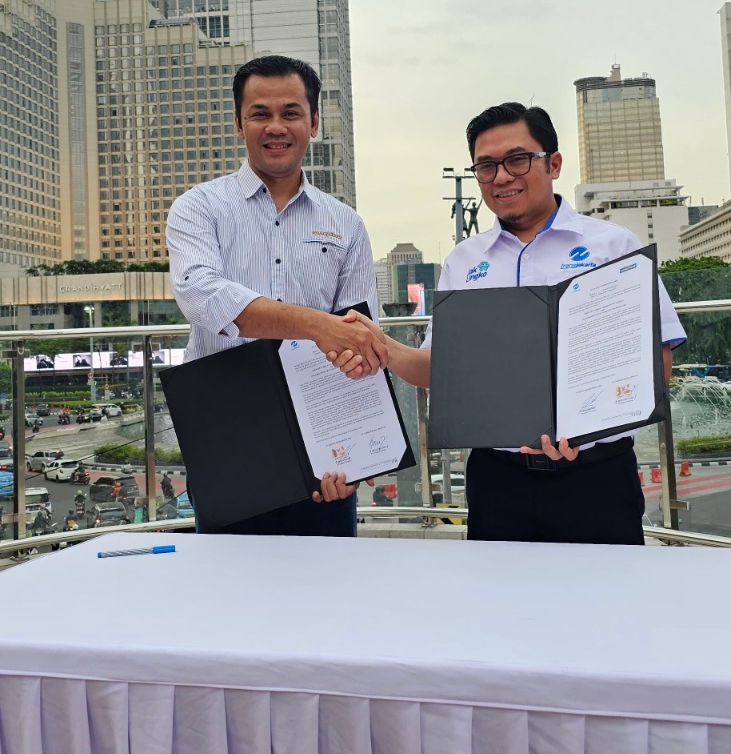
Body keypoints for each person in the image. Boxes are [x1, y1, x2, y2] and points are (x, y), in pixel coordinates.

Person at [330, 101, 686, 545]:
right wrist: (382, 346)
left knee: (606, 589)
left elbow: (657, 363)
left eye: (518, 160)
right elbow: (439, 370)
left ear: (553, 163)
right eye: (486, 166)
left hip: (594, 476)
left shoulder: (613, 247)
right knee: (495, 589)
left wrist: (587, 425)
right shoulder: (464, 262)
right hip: (497, 480)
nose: (501, 176)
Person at [166, 53, 386, 535]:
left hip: (324, 450)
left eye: (291, 113)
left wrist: (359, 450)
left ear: (314, 122)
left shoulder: (346, 224)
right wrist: (318, 325)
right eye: (259, 114)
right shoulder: (198, 208)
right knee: (230, 577)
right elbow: (203, 295)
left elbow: (362, 340)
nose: (276, 127)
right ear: (238, 123)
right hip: (227, 436)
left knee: (327, 576)